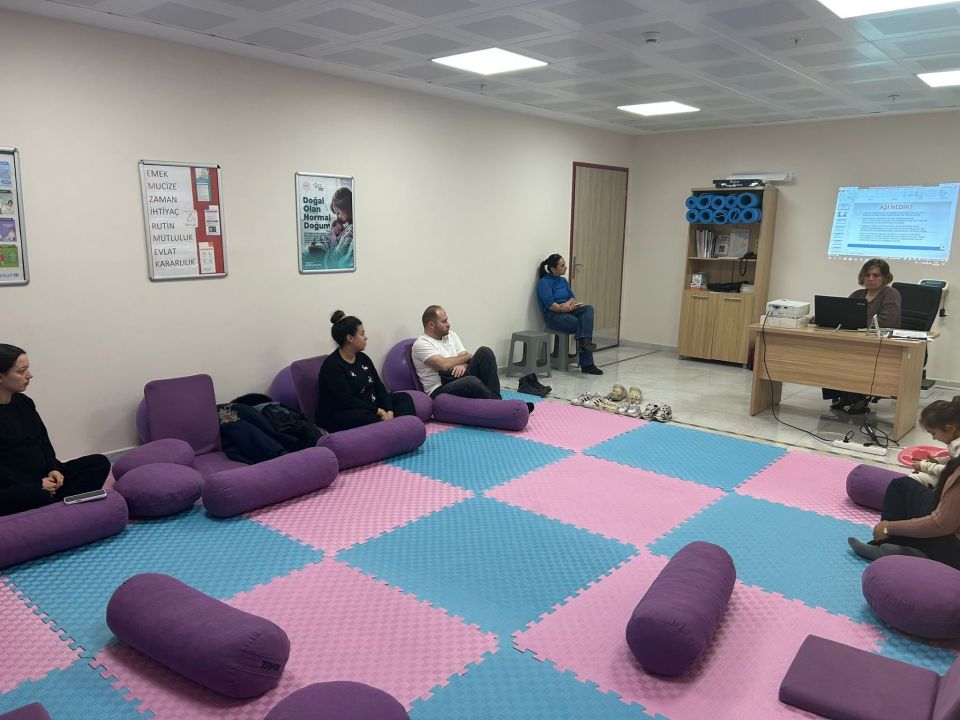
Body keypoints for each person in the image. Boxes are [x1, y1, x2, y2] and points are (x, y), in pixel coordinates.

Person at [848, 396, 960, 569]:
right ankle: (893, 544)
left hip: (952, 546)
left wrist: (889, 527)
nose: (934, 438)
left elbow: (941, 524)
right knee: (900, 486)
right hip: (947, 518)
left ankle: (898, 547)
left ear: (950, 428)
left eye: (933, 433)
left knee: (911, 505)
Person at [0, 344, 110, 517]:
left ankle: (54, 507)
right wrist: (36, 486)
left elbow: (43, 441)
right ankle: (58, 508)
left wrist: (53, 468)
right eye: (21, 371)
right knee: (33, 495)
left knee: (98, 463)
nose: (29, 375)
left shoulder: (24, 402)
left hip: (44, 478)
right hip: (15, 486)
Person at [412, 305, 534, 413]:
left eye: (447, 320)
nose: (448, 324)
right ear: (431, 325)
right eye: (444, 322)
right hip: (439, 389)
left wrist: (462, 365)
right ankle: (502, 406)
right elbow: (443, 365)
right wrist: (465, 358)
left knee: (485, 352)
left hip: (457, 376)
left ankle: (496, 400)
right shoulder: (422, 344)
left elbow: (466, 357)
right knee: (471, 382)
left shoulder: (451, 335)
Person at [315, 311, 416, 432]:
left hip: (369, 405)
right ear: (350, 338)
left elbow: (379, 386)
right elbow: (347, 401)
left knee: (403, 398)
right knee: (367, 418)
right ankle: (393, 432)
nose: (366, 337)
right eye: (362, 334)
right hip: (342, 412)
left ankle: (407, 431)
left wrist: (389, 410)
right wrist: (379, 411)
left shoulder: (363, 358)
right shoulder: (332, 366)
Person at [824, 258, 902, 413]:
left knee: (854, 357)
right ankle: (841, 395)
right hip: (855, 340)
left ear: (885, 277)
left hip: (879, 344)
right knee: (831, 352)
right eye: (867, 275)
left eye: (876, 275)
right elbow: (842, 315)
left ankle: (858, 399)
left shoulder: (891, 294)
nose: (871, 279)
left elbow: (887, 321)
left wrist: (856, 323)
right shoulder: (857, 294)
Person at [536, 254, 603, 375]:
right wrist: (564, 309)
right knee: (583, 326)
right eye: (562, 266)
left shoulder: (563, 281)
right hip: (554, 316)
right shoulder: (544, 283)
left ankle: (585, 344)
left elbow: (572, 297)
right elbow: (550, 305)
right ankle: (587, 364)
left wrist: (569, 303)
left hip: (569, 310)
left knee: (588, 309)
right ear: (553, 269)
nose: (566, 267)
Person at [325, 188, 354, 269]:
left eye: (338, 212)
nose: (337, 216)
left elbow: (336, 259)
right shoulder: (348, 227)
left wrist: (332, 243)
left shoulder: (351, 229)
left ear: (346, 208)